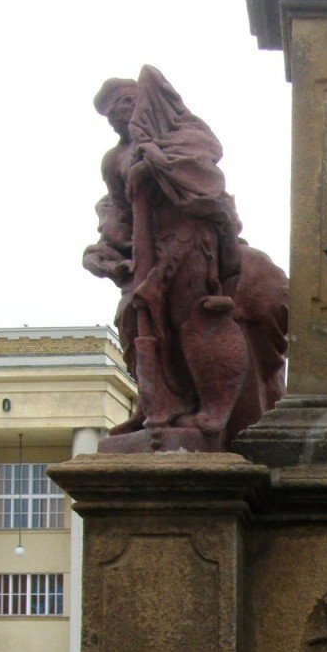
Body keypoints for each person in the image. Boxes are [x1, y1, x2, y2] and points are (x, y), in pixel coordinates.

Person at [83, 66, 287, 452]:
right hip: (147, 248)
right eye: (111, 114)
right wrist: (107, 250)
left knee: (194, 314)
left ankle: (213, 409)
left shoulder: (183, 133)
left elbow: (206, 172)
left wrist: (156, 163)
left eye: (125, 103)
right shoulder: (114, 159)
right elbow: (120, 210)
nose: (119, 115)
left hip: (191, 235)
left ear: (144, 101)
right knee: (133, 318)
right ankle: (156, 405)